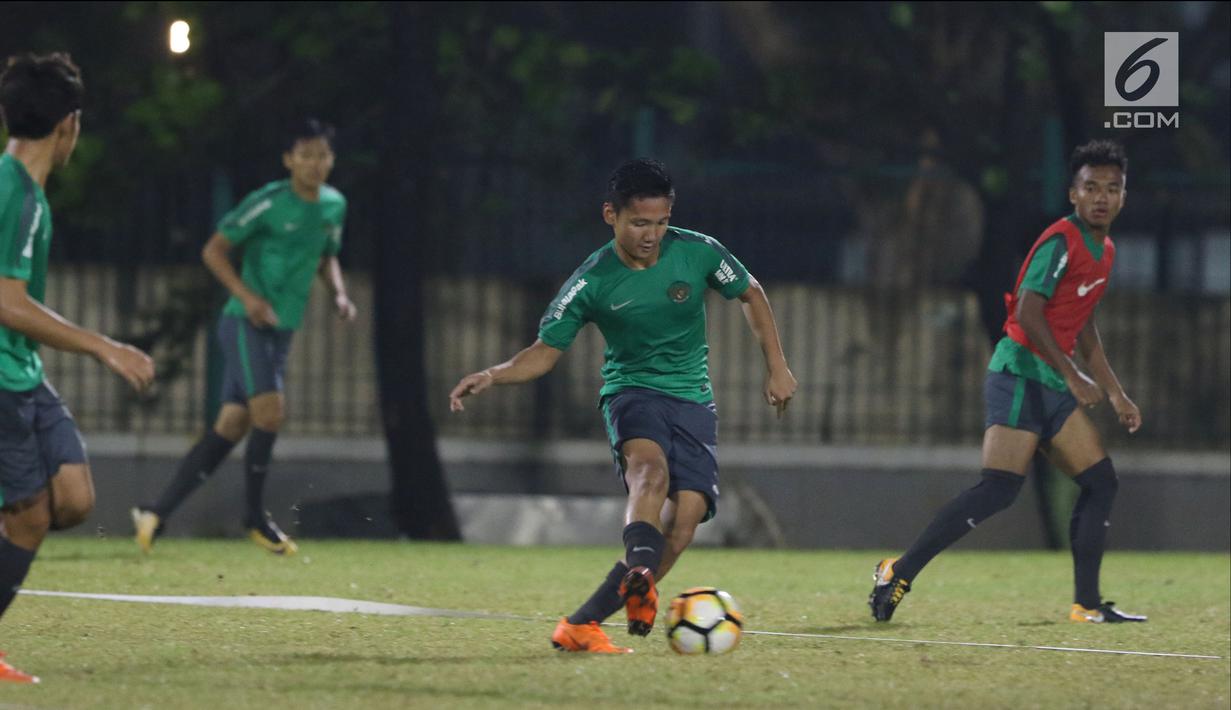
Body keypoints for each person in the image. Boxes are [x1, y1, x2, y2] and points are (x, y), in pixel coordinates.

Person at [449, 159, 797, 653]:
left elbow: (751, 293)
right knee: (648, 473)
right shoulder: (591, 281)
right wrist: (493, 374)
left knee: (685, 522)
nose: (651, 235)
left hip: (693, 400)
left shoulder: (698, 252)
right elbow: (543, 352)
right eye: (639, 223)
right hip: (631, 393)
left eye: (660, 222)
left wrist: (777, 366)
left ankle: (584, 623)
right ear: (610, 215)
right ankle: (638, 572)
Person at [869, 140, 1146, 624]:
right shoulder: (1062, 240)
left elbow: (1083, 324)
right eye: (1091, 187)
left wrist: (1116, 391)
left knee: (1100, 482)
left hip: (1052, 382)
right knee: (998, 489)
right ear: (1073, 194)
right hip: (1019, 372)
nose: (1101, 197)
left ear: (1124, 196)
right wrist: (1073, 374)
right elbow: (1027, 311)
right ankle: (899, 572)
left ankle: (1087, 604)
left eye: (1112, 188)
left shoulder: (1104, 251)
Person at [131, 118, 355, 555]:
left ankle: (154, 512)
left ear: (332, 160)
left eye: (322, 155)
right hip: (244, 324)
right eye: (305, 154)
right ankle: (254, 517)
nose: (314, 164)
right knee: (270, 414)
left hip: (282, 328)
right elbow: (213, 250)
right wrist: (248, 297)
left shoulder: (334, 205)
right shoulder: (267, 203)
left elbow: (328, 256)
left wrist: (341, 295)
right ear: (289, 159)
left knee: (231, 426)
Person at [0, 52, 155, 684]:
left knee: (73, 496)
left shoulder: (24, 191)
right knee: (32, 517)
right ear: (69, 125)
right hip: (3, 380)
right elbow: (6, 302)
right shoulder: (17, 195)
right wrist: (102, 345)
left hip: (23, 374)